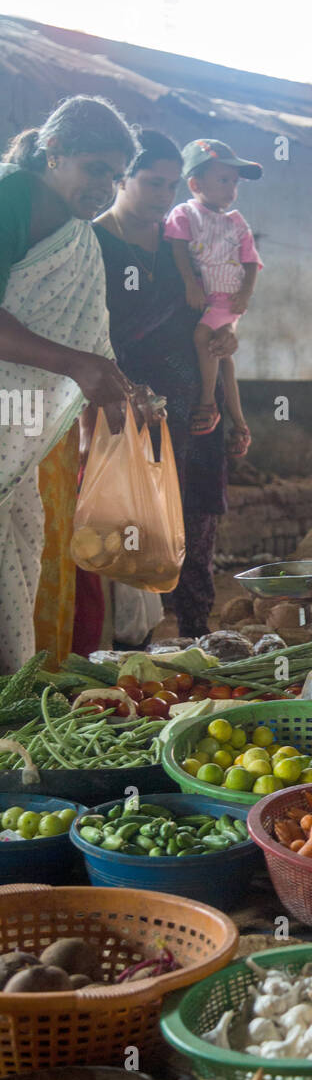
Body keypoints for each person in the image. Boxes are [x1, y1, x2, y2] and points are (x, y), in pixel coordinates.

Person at [0, 96, 138, 670]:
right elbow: (73, 351)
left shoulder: (78, 234)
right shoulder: (10, 197)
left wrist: (120, 392)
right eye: (95, 169)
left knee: (20, 546)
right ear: (53, 155)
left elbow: (90, 336)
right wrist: (74, 365)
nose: (106, 188)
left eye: (115, 175)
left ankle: (12, 695)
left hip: (18, 422)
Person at [94, 130, 236, 640]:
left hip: (197, 404)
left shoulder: (187, 243)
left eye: (172, 185)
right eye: (152, 183)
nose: (163, 196)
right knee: (131, 524)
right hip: (122, 406)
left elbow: (217, 321)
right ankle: (127, 648)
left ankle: (197, 638)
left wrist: (226, 353)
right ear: (122, 179)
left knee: (196, 521)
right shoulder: (92, 243)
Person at [164, 139, 262, 452]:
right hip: (208, 295)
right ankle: (240, 423)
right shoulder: (184, 214)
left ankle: (207, 403)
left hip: (228, 299)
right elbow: (178, 250)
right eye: (223, 180)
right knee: (223, 356)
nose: (231, 188)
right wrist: (191, 283)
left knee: (202, 336)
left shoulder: (236, 222)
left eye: (235, 182)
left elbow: (251, 263)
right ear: (194, 183)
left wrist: (245, 296)